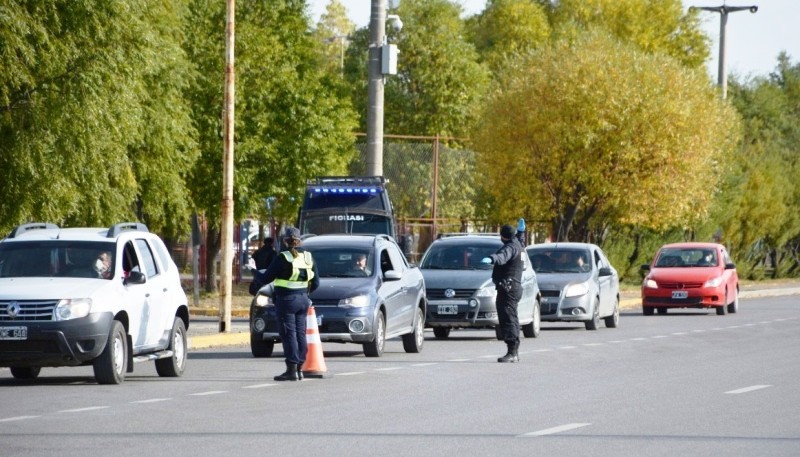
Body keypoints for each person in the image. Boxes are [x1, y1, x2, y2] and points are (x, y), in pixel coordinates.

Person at [251, 227, 320, 381]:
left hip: (287, 301)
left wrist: (254, 272)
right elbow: (316, 283)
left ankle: (291, 369)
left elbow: (265, 279)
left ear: (284, 241)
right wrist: (304, 293)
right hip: (303, 300)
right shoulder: (308, 257)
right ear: (299, 240)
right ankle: (300, 368)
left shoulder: (282, 257)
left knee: (289, 334)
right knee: (300, 333)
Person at [480, 218, 526, 363]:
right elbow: (519, 239)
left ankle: (512, 352)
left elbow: (503, 256)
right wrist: (521, 232)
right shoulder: (518, 243)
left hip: (508, 288)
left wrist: (491, 258)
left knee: (508, 319)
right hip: (514, 287)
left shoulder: (511, 247)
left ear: (503, 237)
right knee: (512, 317)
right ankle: (514, 351)